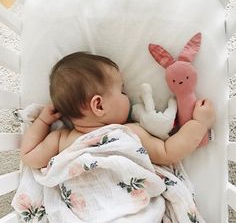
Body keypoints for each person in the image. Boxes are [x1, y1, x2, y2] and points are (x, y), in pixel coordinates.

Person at [20, 52, 215, 169]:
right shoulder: (130, 132)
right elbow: (169, 152)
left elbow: (29, 155)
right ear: (99, 106)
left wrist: (42, 122)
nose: (127, 96)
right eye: (122, 90)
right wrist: (199, 124)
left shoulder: (61, 140)